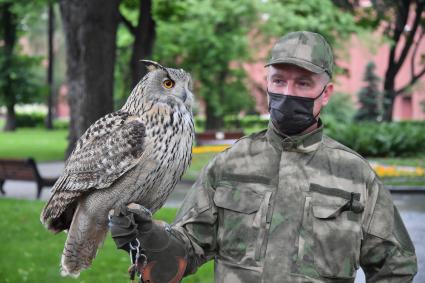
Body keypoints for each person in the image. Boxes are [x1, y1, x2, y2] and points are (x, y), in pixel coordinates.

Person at [109, 31, 418, 283]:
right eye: (279, 81)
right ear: (267, 83)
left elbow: (396, 267)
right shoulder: (230, 165)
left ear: (326, 93)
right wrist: (148, 236)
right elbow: (186, 251)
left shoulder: (356, 175)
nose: (288, 92)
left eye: (303, 83)